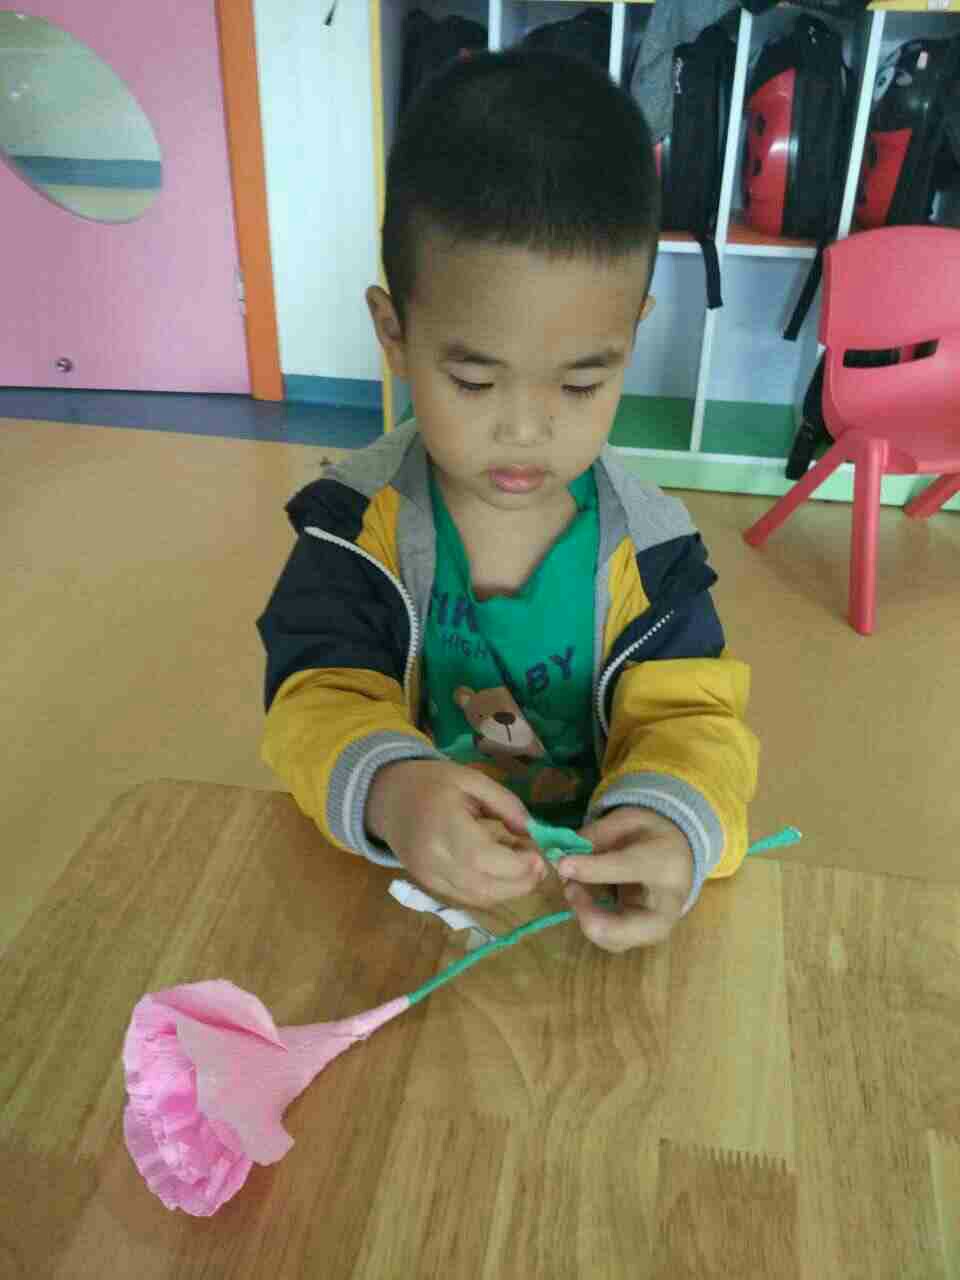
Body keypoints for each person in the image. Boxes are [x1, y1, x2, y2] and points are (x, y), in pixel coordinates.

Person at [256, 48, 759, 953]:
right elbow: (316, 696)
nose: (527, 432)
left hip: (587, 914)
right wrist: (391, 792)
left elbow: (693, 723)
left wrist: (671, 821)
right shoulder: (353, 529)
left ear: (631, 334)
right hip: (404, 890)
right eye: (476, 382)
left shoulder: (653, 554)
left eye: (581, 384)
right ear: (394, 334)